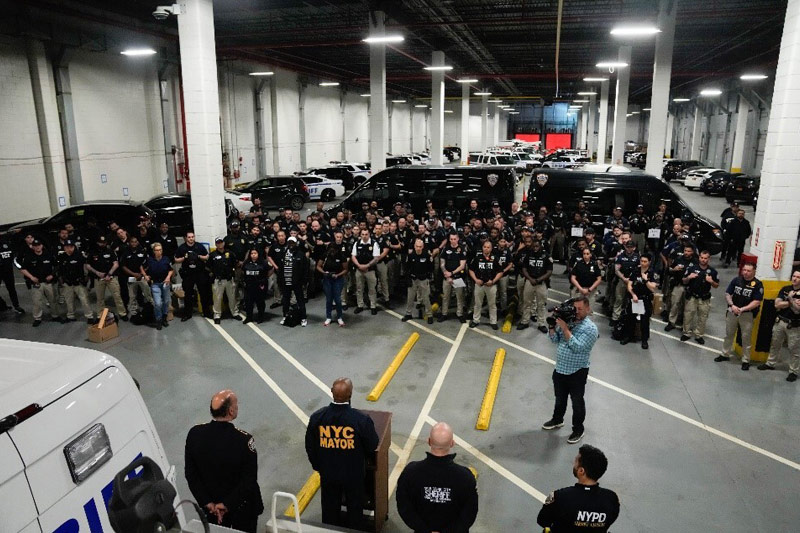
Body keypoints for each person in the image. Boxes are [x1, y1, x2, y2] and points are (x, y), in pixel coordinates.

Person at [185, 390, 263, 533]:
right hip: (242, 508)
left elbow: (191, 475)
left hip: (211, 508)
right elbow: (249, 479)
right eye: (236, 404)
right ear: (231, 411)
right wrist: (227, 504)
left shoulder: (194, 434)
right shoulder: (244, 440)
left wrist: (207, 503)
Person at [305, 378, 379, 529]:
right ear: (350, 395)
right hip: (353, 476)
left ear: (332, 392)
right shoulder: (361, 420)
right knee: (355, 511)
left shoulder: (317, 418)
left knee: (329, 511)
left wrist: (319, 466)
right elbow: (372, 445)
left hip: (328, 475)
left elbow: (310, 446)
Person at [396, 422, 479, 533]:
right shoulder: (465, 477)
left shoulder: (410, 473)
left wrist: (424, 530)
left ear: (429, 441)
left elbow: (404, 507)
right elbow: (469, 514)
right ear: (452, 443)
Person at [543, 296, 599, 444]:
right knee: (560, 398)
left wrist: (565, 329)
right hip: (560, 369)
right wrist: (552, 327)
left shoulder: (590, 329)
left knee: (577, 402)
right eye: (575, 309)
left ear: (588, 308)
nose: (577, 312)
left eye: (581, 309)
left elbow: (577, 347)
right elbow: (554, 340)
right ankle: (557, 419)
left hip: (577, 372)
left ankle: (578, 429)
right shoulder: (569, 321)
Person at [536, 444, 620, 532]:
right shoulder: (611, 499)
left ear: (581, 471)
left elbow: (542, 521)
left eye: (576, 461)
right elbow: (611, 519)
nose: (573, 463)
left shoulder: (560, 496)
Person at [715, 262, 764, 370]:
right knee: (729, 334)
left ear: (754, 271)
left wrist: (742, 309)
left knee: (746, 338)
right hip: (732, 312)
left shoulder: (757, 284)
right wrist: (732, 305)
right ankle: (724, 354)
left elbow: (757, 302)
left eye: (748, 271)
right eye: (744, 270)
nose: (745, 273)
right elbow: (728, 294)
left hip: (747, 315)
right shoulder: (736, 280)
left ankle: (746, 360)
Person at [758, 269, 800, 382]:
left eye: (798, 277)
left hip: (794, 325)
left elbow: (798, 311)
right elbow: (777, 304)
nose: (795, 278)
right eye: (794, 276)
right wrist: (792, 302)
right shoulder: (786, 289)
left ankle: (793, 371)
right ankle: (770, 363)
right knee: (775, 344)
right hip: (781, 321)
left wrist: (789, 300)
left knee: (794, 349)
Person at [621, 254, 659, 350]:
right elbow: (629, 284)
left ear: (649, 262)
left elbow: (653, 288)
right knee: (630, 318)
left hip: (645, 298)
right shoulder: (635, 271)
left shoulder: (652, 273)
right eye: (641, 261)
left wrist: (646, 280)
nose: (643, 263)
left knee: (644, 320)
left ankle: (644, 340)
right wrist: (633, 294)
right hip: (635, 298)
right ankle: (629, 336)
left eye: (645, 261)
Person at [680, 250, 719, 344]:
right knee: (688, 315)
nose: (703, 260)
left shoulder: (712, 271)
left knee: (703, 317)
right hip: (692, 296)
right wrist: (689, 277)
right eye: (701, 257)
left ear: (709, 259)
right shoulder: (692, 268)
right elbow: (684, 281)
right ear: (699, 258)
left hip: (704, 298)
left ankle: (699, 335)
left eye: (705, 258)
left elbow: (716, 285)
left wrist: (711, 281)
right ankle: (686, 333)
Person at [86, 236, 128, 322]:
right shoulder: (92, 252)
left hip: (111, 278)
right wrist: (97, 272)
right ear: (97, 243)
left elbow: (116, 264)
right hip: (98, 278)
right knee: (100, 298)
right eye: (101, 242)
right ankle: (100, 315)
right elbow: (88, 266)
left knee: (117, 296)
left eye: (104, 242)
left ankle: (122, 313)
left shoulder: (110, 251)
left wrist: (109, 274)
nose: (102, 244)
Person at [517, 237, 553, 332]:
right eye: (534, 246)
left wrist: (538, 280)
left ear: (540, 246)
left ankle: (541, 323)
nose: (535, 248)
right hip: (529, 281)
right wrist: (530, 279)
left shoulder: (546, 256)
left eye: (537, 246)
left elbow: (549, 271)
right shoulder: (528, 255)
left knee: (541, 304)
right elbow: (524, 268)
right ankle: (525, 321)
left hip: (541, 283)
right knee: (527, 303)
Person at [19, 239, 57, 327]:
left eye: (39, 245)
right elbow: (23, 269)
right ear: (33, 247)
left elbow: (56, 266)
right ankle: (37, 318)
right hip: (36, 283)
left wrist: (52, 275)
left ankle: (55, 315)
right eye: (35, 246)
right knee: (37, 302)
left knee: (52, 300)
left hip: (48, 282)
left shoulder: (48, 255)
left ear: (42, 246)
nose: (37, 247)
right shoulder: (29, 257)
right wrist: (31, 277)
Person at [175, 232, 212, 322]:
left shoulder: (199, 246)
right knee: (188, 295)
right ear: (186, 238)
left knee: (203, 293)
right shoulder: (182, 247)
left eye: (192, 237)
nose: (191, 238)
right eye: (189, 237)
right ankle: (188, 314)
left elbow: (207, 257)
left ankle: (206, 312)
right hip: (188, 274)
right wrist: (184, 257)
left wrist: (198, 256)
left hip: (200, 273)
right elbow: (176, 259)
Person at [469, 240, 503, 330]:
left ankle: (493, 321)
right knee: (477, 304)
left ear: (491, 248)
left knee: (492, 304)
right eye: (485, 247)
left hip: (491, 285)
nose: (486, 249)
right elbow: (471, 270)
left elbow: (500, 272)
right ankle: (476, 320)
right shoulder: (477, 258)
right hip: (479, 285)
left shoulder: (495, 259)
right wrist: (476, 280)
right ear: (482, 248)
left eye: (488, 247)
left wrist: (493, 281)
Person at [317, 230, 348, 327]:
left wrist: (338, 275)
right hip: (327, 279)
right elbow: (318, 266)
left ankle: (339, 317)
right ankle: (328, 317)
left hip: (338, 279)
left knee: (338, 299)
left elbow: (345, 269)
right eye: (330, 249)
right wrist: (324, 273)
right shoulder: (325, 255)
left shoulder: (341, 256)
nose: (332, 251)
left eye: (333, 249)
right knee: (329, 299)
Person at [57, 240, 93, 323]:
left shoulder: (80, 256)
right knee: (69, 301)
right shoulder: (61, 257)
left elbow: (86, 269)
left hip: (79, 282)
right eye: (67, 247)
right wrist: (61, 281)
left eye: (71, 247)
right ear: (64, 248)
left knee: (84, 300)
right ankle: (70, 316)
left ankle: (89, 316)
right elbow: (59, 270)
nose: (69, 249)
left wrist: (86, 280)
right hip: (67, 282)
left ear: (74, 247)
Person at [664, 244, 696, 332]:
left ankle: (685, 325)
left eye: (689, 251)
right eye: (685, 251)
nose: (686, 253)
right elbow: (668, 270)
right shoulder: (678, 259)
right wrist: (674, 269)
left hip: (690, 287)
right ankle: (671, 322)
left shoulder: (696, 262)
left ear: (692, 252)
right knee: (675, 304)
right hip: (678, 285)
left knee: (687, 307)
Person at [120, 235, 153, 320]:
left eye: (135, 241)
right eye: (132, 242)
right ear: (129, 243)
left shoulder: (142, 251)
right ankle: (134, 313)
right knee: (132, 296)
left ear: (138, 242)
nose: (134, 243)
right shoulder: (126, 252)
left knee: (148, 294)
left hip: (142, 277)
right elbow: (123, 266)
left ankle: (153, 310)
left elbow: (147, 264)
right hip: (131, 278)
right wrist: (134, 274)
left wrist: (142, 274)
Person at [209, 238, 241, 324]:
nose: (220, 244)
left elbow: (236, 263)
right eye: (218, 243)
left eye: (221, 242)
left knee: (232, 297)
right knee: (217, 298)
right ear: (216, 244)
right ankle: (217, 315)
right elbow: (208, 267)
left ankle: (234, 313)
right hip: (218, 280)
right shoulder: (212, 255)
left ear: (223, 243)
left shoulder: (230, 253)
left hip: (229, 279)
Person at [142, 242, 173, 330]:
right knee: (158, 303)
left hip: (165, 283)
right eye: (157, 250)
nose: (159, 252)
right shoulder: (149, 260)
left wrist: (168, 277)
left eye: (160, 250)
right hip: (155, 284)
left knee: (166, 301)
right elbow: (142, 267)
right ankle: (158, 319)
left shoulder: (166, 259)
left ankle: (164, 318)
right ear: (153, 251)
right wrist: (145, 275)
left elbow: (171, 270)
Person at [403, 238, 434, 324]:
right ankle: (408, 313)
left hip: (423, 279)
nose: (418, 248)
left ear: (423, 246)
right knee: (410, 298)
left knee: (426, 298)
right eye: (417, 246)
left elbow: (431, 267)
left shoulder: (427, 255)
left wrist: (428, 278)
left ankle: (429, 315)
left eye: (420, 246)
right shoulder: (410, 255)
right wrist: (408, 278)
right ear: (414, 246)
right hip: (413, 279)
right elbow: (406, 268)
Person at [279, 236, 309, 326]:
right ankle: (285, 316)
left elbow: (305, 269)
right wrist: (280, 281)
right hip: (286, 282)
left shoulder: (300, 254)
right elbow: (280, 268)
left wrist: (304, 281)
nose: (291, 244)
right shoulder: (284, 253)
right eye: (289, 243)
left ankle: (303, 318)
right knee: (285, 301)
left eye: (293, 243)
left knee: (300, 300)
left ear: (296, 244)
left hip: (297, 282)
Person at [351, 228, 380, 315]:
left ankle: (373, 306)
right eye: (362, 234)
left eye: (366, 234)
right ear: (360, 235)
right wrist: (359, 266)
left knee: (372, 289)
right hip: (359, 270)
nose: (364, 236)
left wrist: (367, 266)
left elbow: (376, 258)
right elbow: (353, 256)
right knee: (359, 288)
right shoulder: (357, 243)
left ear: (369, 234)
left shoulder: (374, 243)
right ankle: (360, 305)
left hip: (370, 270)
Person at [440, 233, 468, 323]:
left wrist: (451, 273)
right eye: (451, 239)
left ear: (458, 239)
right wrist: (446, 274)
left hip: (458, 277)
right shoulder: (445, 249)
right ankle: (444, 313)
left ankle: (459, 314)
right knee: (445, 297)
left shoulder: (462, 249)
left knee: (459, 297)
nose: (453, 241)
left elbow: (462, 266)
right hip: (447, 278)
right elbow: (442, 264)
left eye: (454, 239)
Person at [241, 249, 270, 324]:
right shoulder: (246, 263)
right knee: (248, 303)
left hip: (259, 286)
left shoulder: (263, 263)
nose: (253, 255)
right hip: (249, 286)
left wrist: (265, 278)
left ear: (258, 254)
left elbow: (271, 269)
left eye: (255, 253)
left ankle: (260, 317)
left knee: (260, 302)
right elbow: (242, 271)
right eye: (252, 253)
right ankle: (249, 317)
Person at [0, 234, 23, 315]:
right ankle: (2, 305)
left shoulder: (6, 244)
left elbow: (13, 256)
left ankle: (16, 306)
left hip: (7, 270)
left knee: (11, 289)